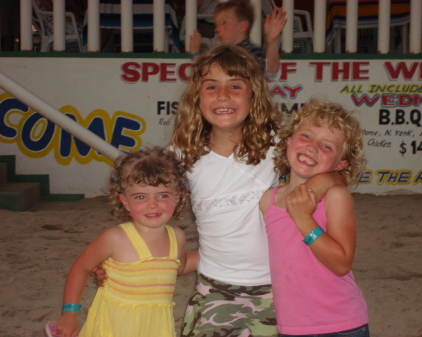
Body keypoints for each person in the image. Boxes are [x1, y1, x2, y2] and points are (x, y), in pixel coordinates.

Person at [94, 45, 344, 337]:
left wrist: (321, 183)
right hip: (214, 290)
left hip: (282, 287)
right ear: (196, 97)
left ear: (254, 94)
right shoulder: (179, 156)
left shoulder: (280, 145)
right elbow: (146, 215)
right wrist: (123, 263)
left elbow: (334, 176)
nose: (223, 96)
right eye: (211, 86)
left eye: (235, 86)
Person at [54, 146, 198, 337]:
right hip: (115, 326)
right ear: (125, 202)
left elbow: (179, 267)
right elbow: (80, 267)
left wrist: (216, 253)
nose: (152, 204)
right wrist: (70, 314)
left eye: (162, 195)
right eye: (140, 197)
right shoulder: (115, 238)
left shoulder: (177, 236)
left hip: (156, 327)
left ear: (177, 198)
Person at [260, 98, 370, 336]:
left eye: (327, 146)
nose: (312, 147)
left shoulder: (335, 197)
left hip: (341, 326)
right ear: (288, 140)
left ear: (341, 164)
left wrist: (304, 220)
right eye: (306, 136)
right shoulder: (268, 200)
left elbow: (341, 263)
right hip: (290, 327)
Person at [189, 0, 287, 81]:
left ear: (242, 26)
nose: (217, 29)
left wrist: (271, 41)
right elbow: (208, 76)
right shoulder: (218, 53)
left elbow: (270, 74)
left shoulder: (251, 52)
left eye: (224, 23)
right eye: (216, 25)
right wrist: (196, 55)